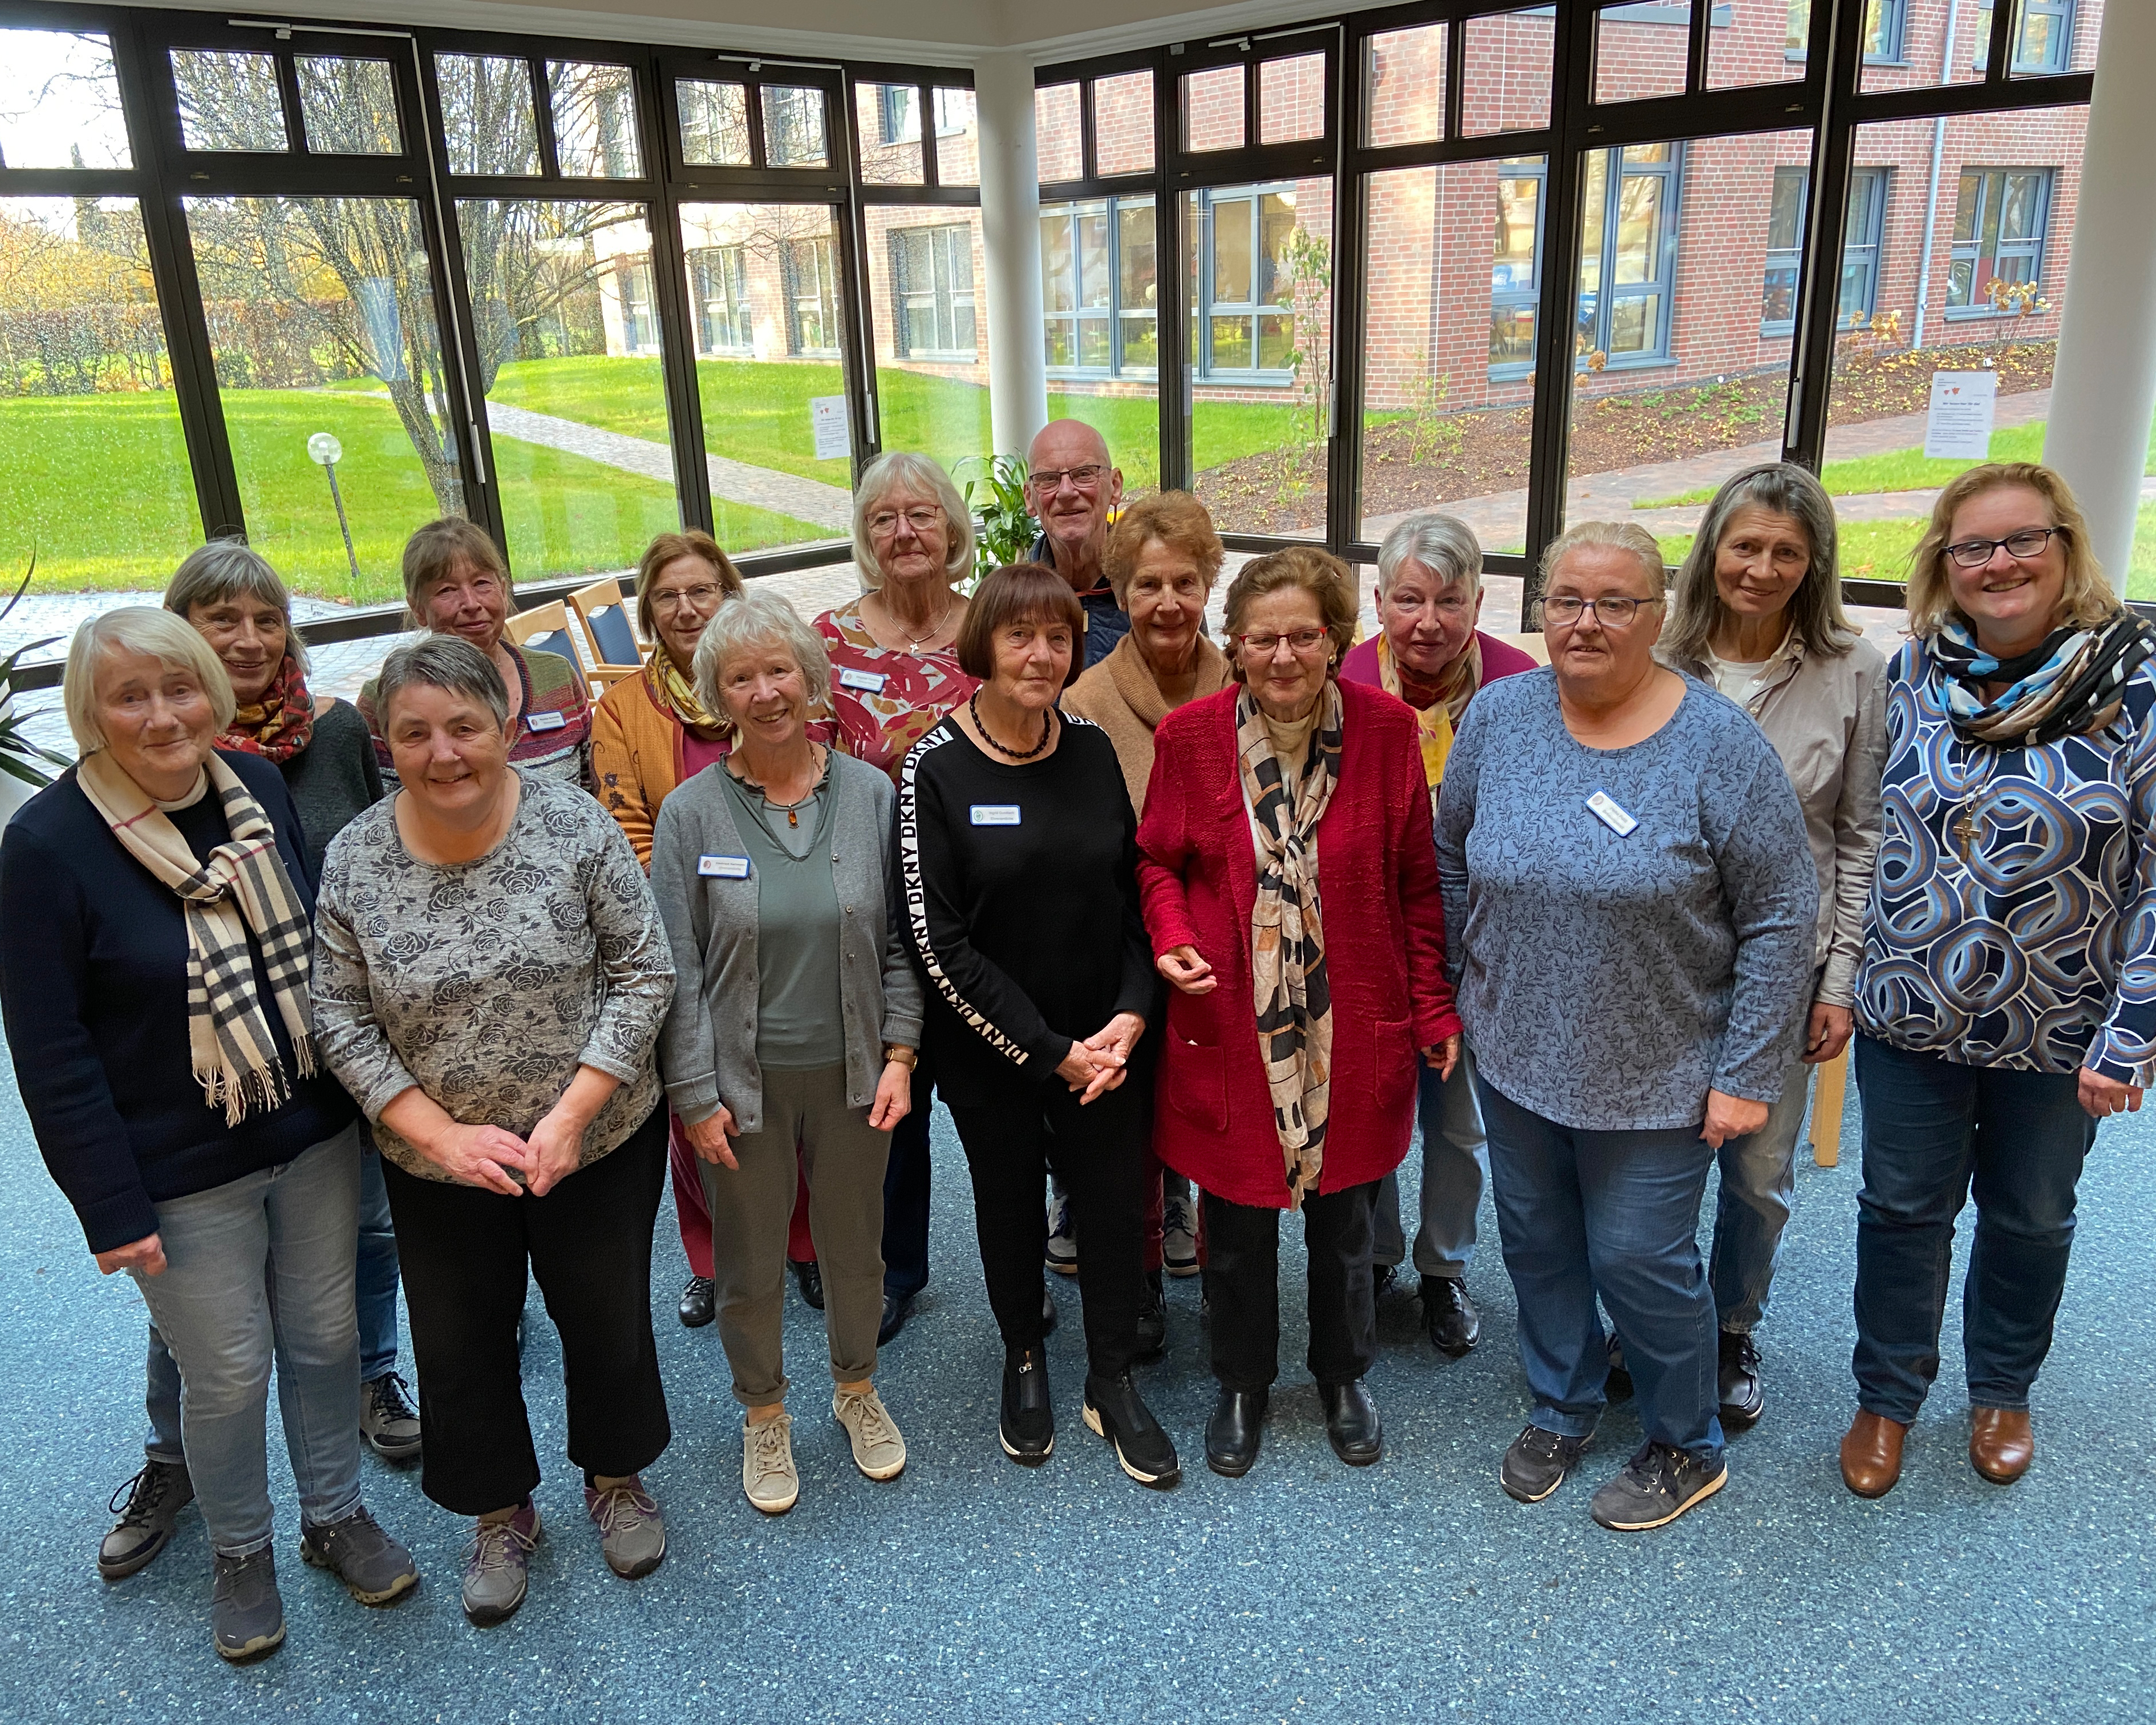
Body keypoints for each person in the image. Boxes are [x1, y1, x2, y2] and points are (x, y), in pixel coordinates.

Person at [0, 609, 416, 1662]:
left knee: (326, 1341)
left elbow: (318, 957)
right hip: (176, 1171)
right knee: (226, 1372)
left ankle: (334, 1515)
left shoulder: (255, 788)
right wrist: (109, 1204)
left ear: (212, 694)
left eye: (179, 687)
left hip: (311, 1130)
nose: (160, 713)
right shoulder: (47, 846)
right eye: (129, 695)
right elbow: (50, 1050)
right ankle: (242, 1550)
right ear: (90, 712)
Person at [1436, 521, 1815, 1531]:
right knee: (1540, 1242)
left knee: (1642, 1258)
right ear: (1542, 608)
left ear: (1658, 614)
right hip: (1513, 1051)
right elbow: (1450, 857)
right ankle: (1561, 1401)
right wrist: (1453, 990)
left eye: (1615, 603)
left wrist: (1747, 1069)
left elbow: (1782, 911)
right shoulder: (1501, 716)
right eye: (1567, 600)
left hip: (1661, 1067)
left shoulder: (1715, 743)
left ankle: (1686, 1440)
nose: (1586, 622)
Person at [312, 635, 676, 1625]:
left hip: (594, 1139)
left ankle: (614, 1476)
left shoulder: (575, 825)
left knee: (604, 1313)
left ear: (504, 728)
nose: (443, 751)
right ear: (384, 742)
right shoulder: (355, 857)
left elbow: (647, 970)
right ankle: (500, 1508)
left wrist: (569, 1116)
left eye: (464, 726)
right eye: (414, 731)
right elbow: (337, 1015)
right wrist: (436, 1133)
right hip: (437, 1163)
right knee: (461, 1335)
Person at [1839, 463, 2156, 1500]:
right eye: (1973, 547)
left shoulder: (2140, 679)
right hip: (1911, 1007)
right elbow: (1873, 822)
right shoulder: (1916, 669)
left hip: (2063, 1025)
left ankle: (2002, 1386)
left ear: (2068, 545)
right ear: (1943, 566)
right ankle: (1886, 1394)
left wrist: (2133, 1033)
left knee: (2030, 1212)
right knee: (1900, 1208)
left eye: (2023, 539)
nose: (1999, 563)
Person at [1136, 546, 1462, 1479]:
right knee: (1234, 1225)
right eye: (1262, 637)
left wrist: (1434, 1008)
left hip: (1351, 1018)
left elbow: (1414, 884)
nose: (1284, 655)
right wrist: (1168, 932)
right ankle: (1242, 1380)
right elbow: (1157, 858)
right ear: (1233, 646)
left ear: (1335, 640)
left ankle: (1341, 1373)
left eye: (1304, 636)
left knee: (1344, 1223)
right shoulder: (1190, 740)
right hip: (1234, 1019)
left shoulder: (1389, 731)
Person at [897, 562, 1179, 1488]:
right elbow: (937, 947)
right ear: (985, 643)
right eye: (1021, 634)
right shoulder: (931, 769)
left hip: (1105, 1037)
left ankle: (1109, 1373)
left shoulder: (1093, 746)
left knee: (1108, 1201)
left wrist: (1135, 1013)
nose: (1043, 653)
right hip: (995, 1047)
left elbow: (1134, 886)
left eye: (1058, 636)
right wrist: (1052, 1052)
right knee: (1010, 1202)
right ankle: (1024, 1353)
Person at [159, 545, 418, 1513]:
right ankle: (173, 1450)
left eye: (266, 618)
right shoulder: (168, 756)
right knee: (203, 1261)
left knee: (367, 1221)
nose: (250, 638)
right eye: (223, 618)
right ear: (180, 626)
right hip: (216, 1045)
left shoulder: (337, 731)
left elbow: (375, 853)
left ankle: (372, 1376)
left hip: (344, 1021)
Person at [651, 591, 923, 1515]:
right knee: (750, 1262)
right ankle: (763, 1409)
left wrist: (900, 1051)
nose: (766, 691)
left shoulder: (872, 794)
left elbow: (900, 941)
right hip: (739, 1085)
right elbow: (676, 969)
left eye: (780, 670)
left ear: (812, 678)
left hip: (856, 1073)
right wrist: (693, 1094)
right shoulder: (690, 814)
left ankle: (856, 1388)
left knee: (856, 1250)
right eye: (741, 675)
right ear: (717, 693)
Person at [1658, 463, 1887, 1431]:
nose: (1760, 567)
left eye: (1785, 551)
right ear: (1713, 547)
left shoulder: (1853, 670)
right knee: (1654, 1158)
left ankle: (1730, 1327)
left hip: (1784, 969)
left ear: (1813, 563)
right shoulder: (1660, 657)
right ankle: (1653, 1318)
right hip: (1662, 960)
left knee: (1756, 1170)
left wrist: (1840, 976)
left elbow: (1864, 832)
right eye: (1745, 544)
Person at [1342, 512, 1538, 1359]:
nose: (1428, 622)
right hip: (1368, 941)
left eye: (1449, 601)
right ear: (1378, 601)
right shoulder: (1344, 677)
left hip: (1483, 945)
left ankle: (1444, 1268)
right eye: (1409, 599)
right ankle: (1378, 1253)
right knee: (1375, 1108)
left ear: (1478, 602)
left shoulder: (1522, 682)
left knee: (1458, 1124)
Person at [817, 451, 979, 1346]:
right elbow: (803, 772)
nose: (905, 531)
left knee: (998, 1095)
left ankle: (1021, 1258)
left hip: (981, 908)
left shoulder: (992, 626)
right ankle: (893, 1270)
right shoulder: (828, 641)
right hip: (871, 913)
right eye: (884, 518)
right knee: (889, 1106)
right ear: (866, 538)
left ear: (951, 530)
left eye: (921, 515)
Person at [1064, 491, 1232, 1299]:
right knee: (1127, 1120)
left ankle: (1187, 1218)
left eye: (1186, 583)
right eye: (1147, 585)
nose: (1168, 602)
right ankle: (1137, 1281)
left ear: (1209, 585)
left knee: (1212, 1106)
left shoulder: (1246, 687)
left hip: (1227, 945)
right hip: (1123, 945)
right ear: (1120, 594)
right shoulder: (1084, 703)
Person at [589, 529, 753, 1333]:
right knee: (695, 1100)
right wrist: (701, 911)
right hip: (677, 932)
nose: (687, 608)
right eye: (668, 596)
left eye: (702, 591)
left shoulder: (758, 682)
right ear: (648, 611)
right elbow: (627, 827)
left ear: (729, 596)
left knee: (787, 1092)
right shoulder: (622, 709)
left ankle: (799, 1245)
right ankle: (712, 1257)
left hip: (780, 929)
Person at [357, 516, 592, 787]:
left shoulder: (556, 676)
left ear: (503, 591)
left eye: (482, 583)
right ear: (418, 609)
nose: (471, 603)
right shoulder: (384, 699)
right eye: (447, 590)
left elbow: (591, 789)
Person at [1027, 418, 1128, 669]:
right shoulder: (1011, 602)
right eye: (1048, 479)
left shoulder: (1156, 589)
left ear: (1115, 486)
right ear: (1030, 498)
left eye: (1084, 475)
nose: (1066, 492)